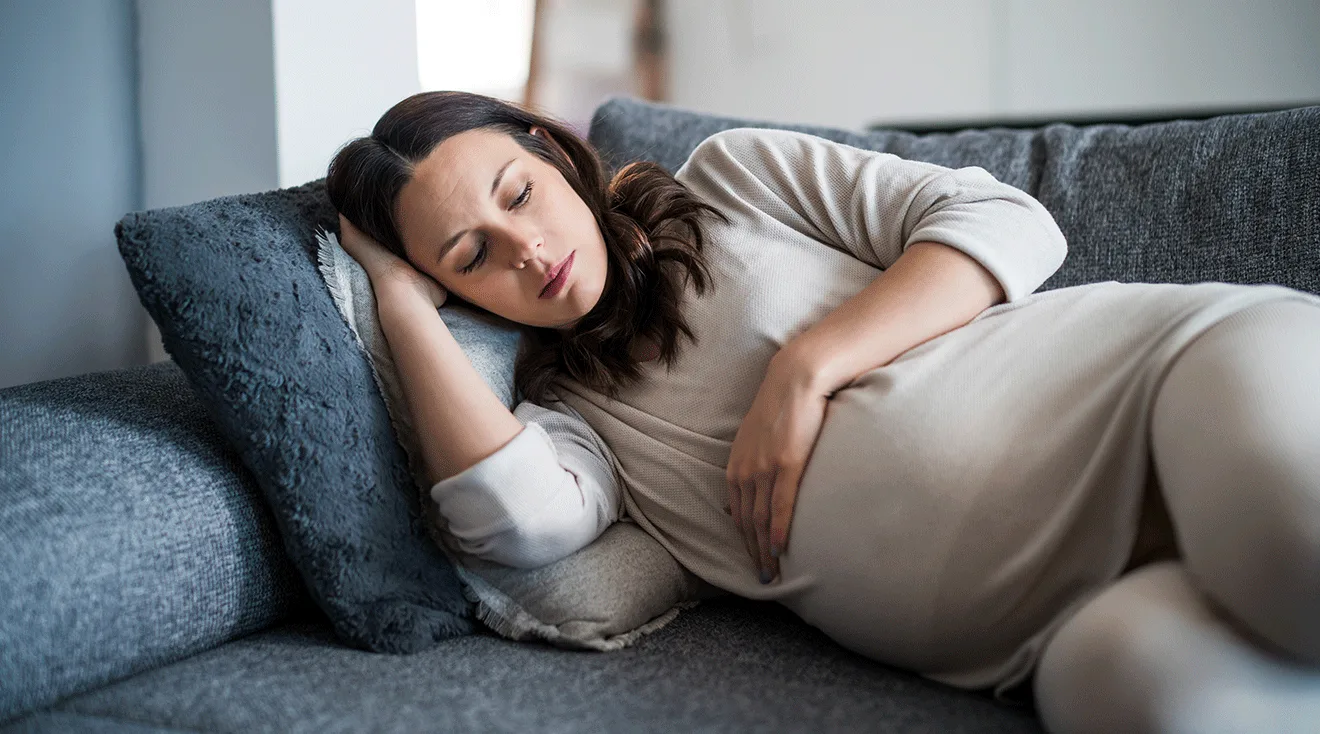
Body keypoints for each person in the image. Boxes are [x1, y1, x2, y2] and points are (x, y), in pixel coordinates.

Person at [326, 90, 1320, 733]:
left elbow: (1003, 218)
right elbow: (510, 520)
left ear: (551, 149)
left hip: (1160, 380)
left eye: (520, 192)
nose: (526, 250)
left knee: (1287, 553)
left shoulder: (732, 179)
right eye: (469, 258)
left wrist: (809, 365)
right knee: (1153, 701)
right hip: (1057, 628)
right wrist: (402, 305)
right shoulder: (572, 418)